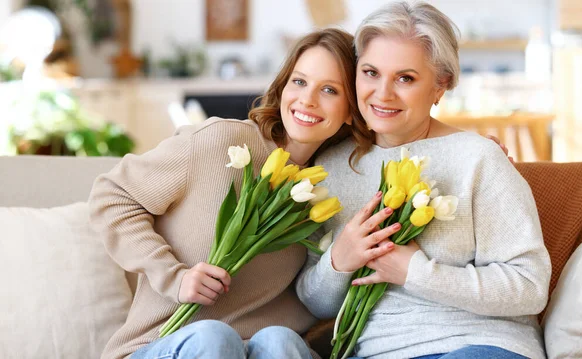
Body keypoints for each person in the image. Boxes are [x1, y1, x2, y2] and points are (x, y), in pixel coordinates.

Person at [88, 28, 372, 359]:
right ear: (282, 87)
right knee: (213, 338)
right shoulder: (221, 143)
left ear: (351, 109)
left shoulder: (329, 191)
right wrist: (173, 277)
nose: (307, 99)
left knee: (282, 342)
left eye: (329, 90)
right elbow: (112, 197)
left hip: (260, 350)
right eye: (299, 82)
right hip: (166, 345)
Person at [296, 2, 551, 359]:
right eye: (370, 72)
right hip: (379, 351)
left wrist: (415, 271)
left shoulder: (477, 158)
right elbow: (315, 302)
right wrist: (339, 260)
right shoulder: (332, 167)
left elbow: (529, 286)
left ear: (441, 85)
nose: (382, 93)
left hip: (480, 344)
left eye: (405, 78)